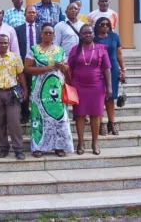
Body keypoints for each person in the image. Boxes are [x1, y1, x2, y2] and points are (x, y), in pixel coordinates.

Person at [24, 23, 74, 158]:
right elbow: (27, 68)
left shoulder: (60, 50)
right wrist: (44, 69)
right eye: (45, 33)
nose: (48, 35)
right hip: (39, 90)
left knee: (59, 117)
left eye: (50, 33)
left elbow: (66, 68)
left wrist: (62, 66)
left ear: (54, 35)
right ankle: (38, 147)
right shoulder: (33, 49)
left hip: (57, 90)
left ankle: (59, 146)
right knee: (38, 117)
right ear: (41, 34)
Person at [68, 24, 112, 156]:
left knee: (95, 114)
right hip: (79, 86)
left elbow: (107, 68)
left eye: (90, 33)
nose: (87, 35)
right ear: (80, 35)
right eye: (84, 33)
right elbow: (69, 68)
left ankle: (95, 142)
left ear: (94, 34)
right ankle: (80, 142)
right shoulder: (75, 49)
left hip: (96, 86)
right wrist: (68, 85)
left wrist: (109, 86)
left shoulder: (101, 49)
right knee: (80, 115)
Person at [0, 34, 27, 160]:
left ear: (8, 44)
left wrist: (25, 90)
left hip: (12, 92)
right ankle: (4, 148)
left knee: (14, 122)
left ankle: (18, 149)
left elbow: (21, 75)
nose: (3, 45)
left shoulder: (15, 58)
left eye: (5, 43)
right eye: (1, 43)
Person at [94, 17, 126, 136]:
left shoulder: (114, 37)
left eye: (107, 24)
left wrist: (123, 69)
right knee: (100, 97)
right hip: (98, 70)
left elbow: (119, 53)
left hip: (113, 69)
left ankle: (111, 123)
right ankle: (100, 124)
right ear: (97, 25)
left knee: (110, 97)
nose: (105, 26)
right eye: (102, 24)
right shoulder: (93, 38)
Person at [15, 5, 41, 124]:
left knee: (38, 90)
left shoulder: (41, 28)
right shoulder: (17, 29)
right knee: (24, 89)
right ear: (24, 14)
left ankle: (38, 113)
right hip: (23, 64)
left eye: (34, 13)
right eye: (29, 12)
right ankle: (25, 113)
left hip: (39, 65)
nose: (32, 14)